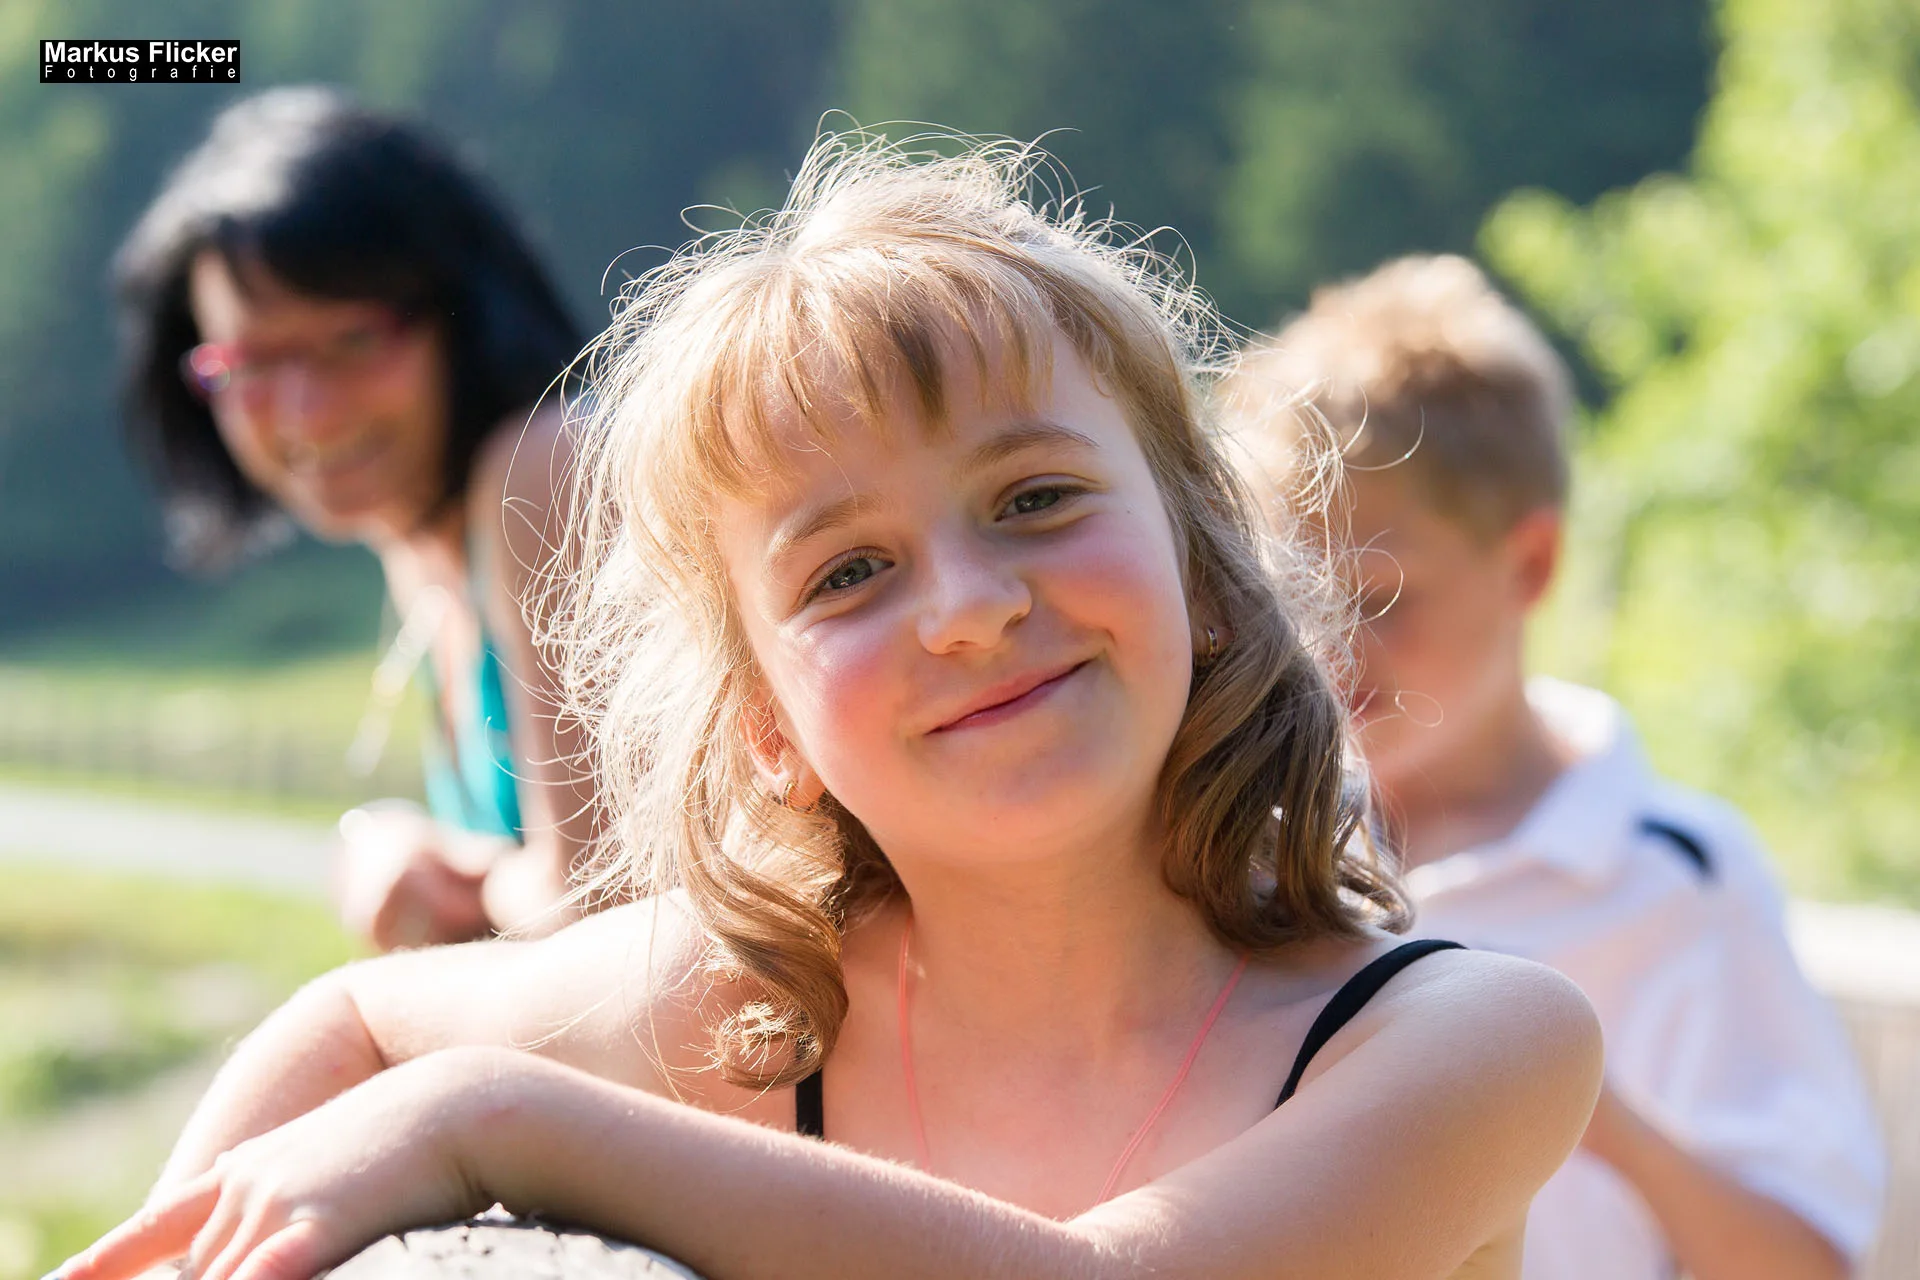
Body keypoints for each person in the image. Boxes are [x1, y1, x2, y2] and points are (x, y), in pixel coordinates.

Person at [57, 136, 1601, 1280]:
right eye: (849, 571)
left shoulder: (1461, 1038)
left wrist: (501, 1120)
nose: (971, 605)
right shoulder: (742, 1021)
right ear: (766, 727)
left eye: (1038, 495)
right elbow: (355, 1021)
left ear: (1202, 572)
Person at [1221, 254, 1886, 1280]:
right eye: (1297, 596)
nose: (1334, 646)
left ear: (1529, 563)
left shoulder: (1677, 878)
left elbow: (1806, 1260)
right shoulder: (1254, 851)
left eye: (1383, 594)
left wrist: (1562, 1091)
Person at [115, 87, 597, 949]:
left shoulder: (543, 466)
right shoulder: (418, 548)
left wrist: (425, 865)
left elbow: (600, 904)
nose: (308, 415)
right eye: (250, 364)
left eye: (354, 342)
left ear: (464, 308)